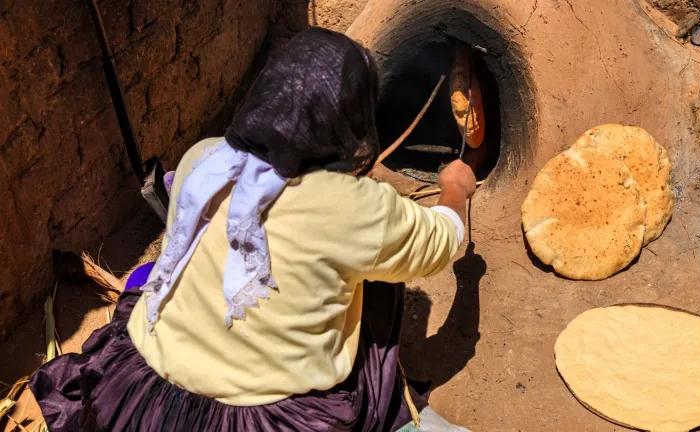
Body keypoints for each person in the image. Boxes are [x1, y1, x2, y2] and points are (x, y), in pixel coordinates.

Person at [29, 27, 476, 431]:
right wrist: (454, 191)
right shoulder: (356, 209)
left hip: (145, 396)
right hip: (264, 421)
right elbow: (442, 241)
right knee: (381, 281)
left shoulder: (204, 159)